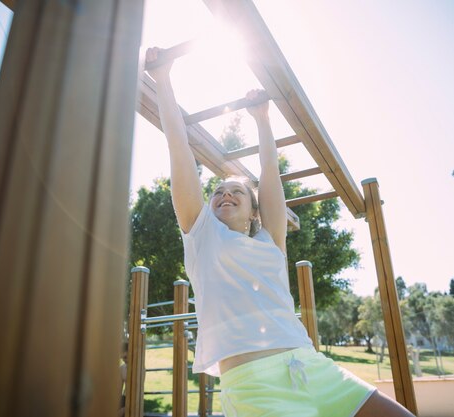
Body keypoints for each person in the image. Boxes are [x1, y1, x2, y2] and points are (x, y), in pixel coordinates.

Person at [145, 47, 415, 417]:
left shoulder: (269, 239)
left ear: (254, 211)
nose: (225, 194)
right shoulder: (202, 235)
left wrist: (262, 118)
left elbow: (270, 174)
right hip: (256, 385)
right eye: (218, 192)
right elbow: (179, 149)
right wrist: (162, 79)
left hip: (312, 368)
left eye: (236, 191)